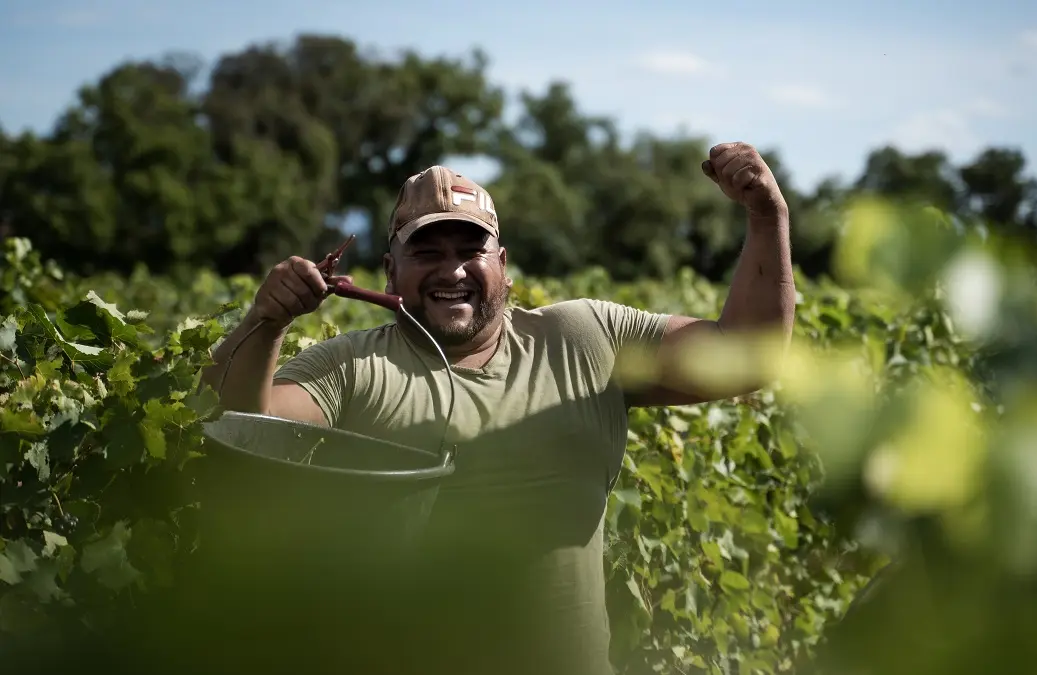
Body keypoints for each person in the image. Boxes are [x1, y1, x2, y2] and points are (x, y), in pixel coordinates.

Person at [198, 142, 796, 674]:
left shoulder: (584, 340)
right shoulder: (350, 368)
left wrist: (767, 215)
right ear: (391, 271)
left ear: (502, 265)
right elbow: (241, 430)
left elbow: (747, 357)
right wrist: (265, 321)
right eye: (425, 250)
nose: (451, 268)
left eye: (470, 248)